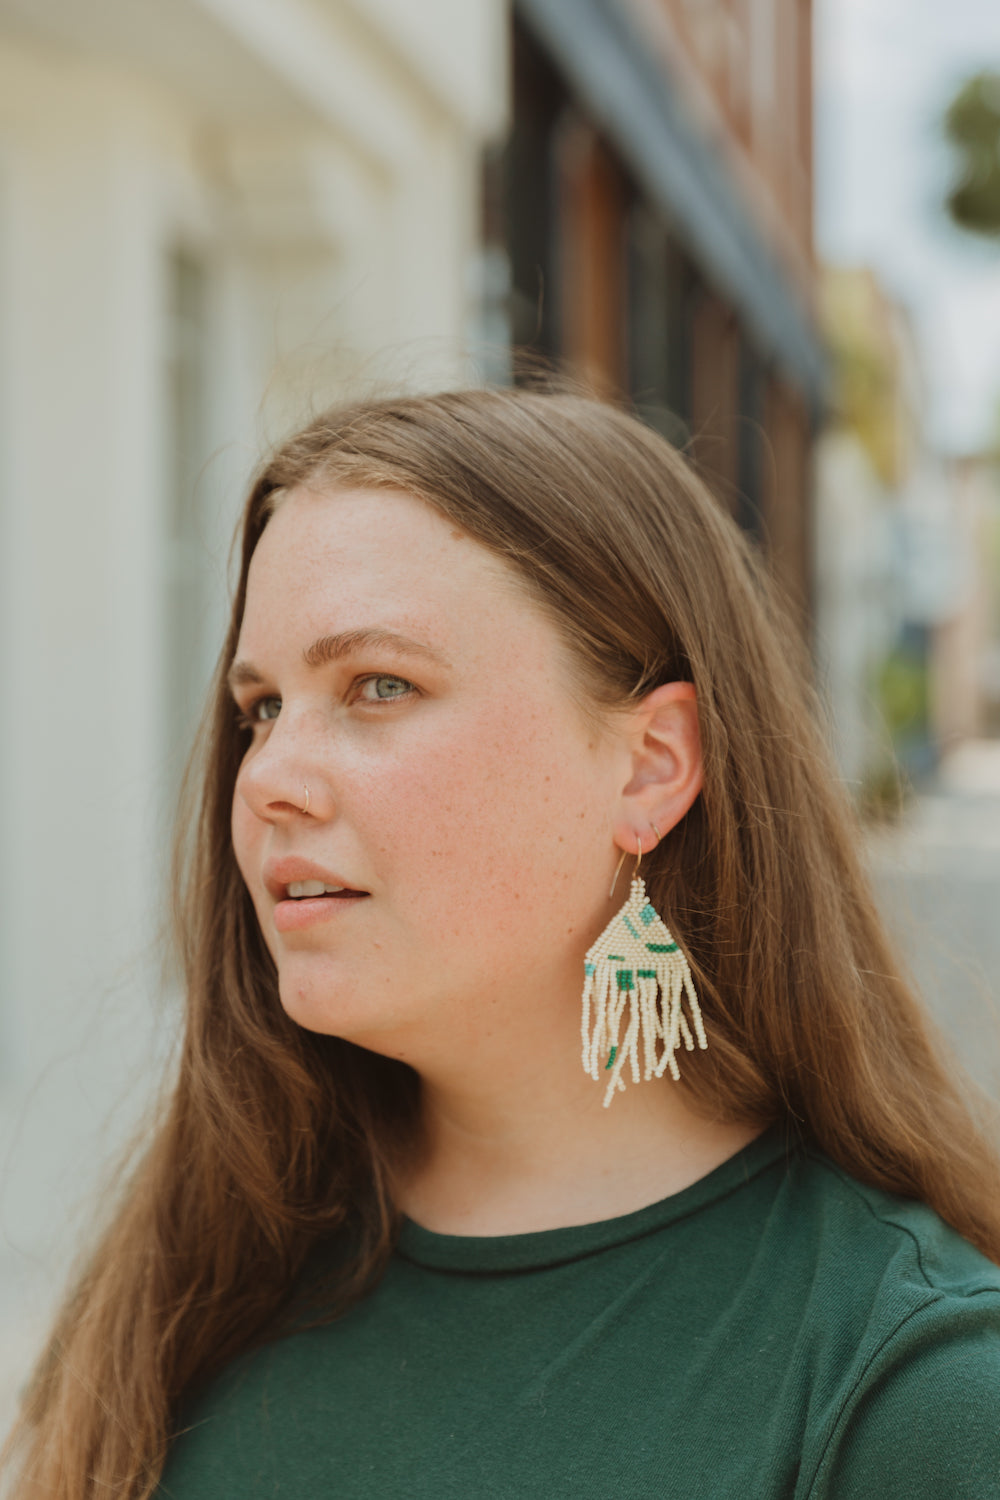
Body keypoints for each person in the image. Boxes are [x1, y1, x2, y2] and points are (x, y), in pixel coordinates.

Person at [6, 387, 1000, 1500]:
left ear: (650, 767)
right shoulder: (202, 1275)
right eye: (262, 708)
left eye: (378, 686)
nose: (267, 777)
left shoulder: (911, 1395)